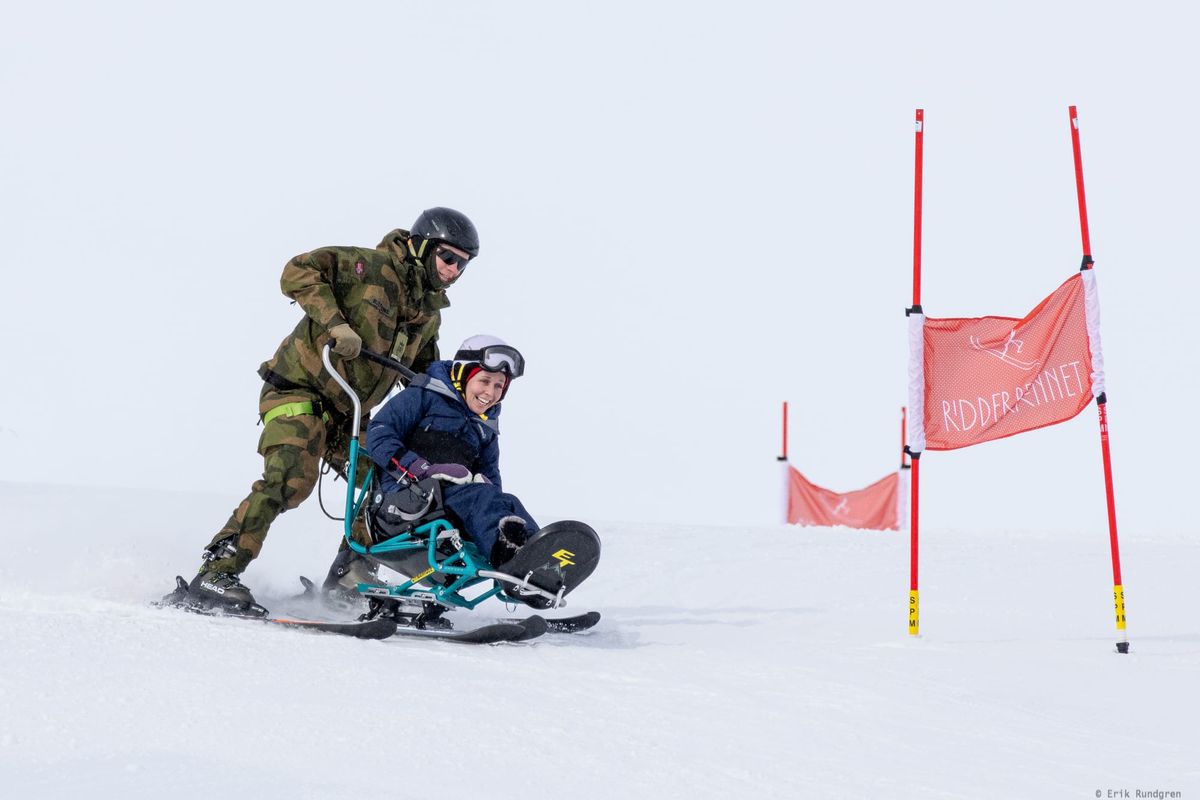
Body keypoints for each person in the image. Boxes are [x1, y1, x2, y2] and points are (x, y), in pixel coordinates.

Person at [175, 208, 480, 616]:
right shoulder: (368, 267)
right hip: (300, 389)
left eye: (463, 263)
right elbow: (297, 271)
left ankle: (350, 574)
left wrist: (469, 392)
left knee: (392, 481)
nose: (454, 271)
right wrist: (336, 325)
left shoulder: (427, 313)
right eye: (448, 258)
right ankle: (216, 571)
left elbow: (423, 374)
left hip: (349, 414)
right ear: (423, 248)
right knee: (291, 479)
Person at [358, 334, 537, 573]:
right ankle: (511, 562)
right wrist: (422, 470)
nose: (490, 393)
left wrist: (487, 485)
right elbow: (379, 433)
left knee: (510, 503)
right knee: (477, 498)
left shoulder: (486, 429)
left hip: (448, 507)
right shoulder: (424, 395)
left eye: (498, 386)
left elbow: (491, 477)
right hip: (402, 502)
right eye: (484, 381)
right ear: (463, 375)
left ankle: (540, 563)